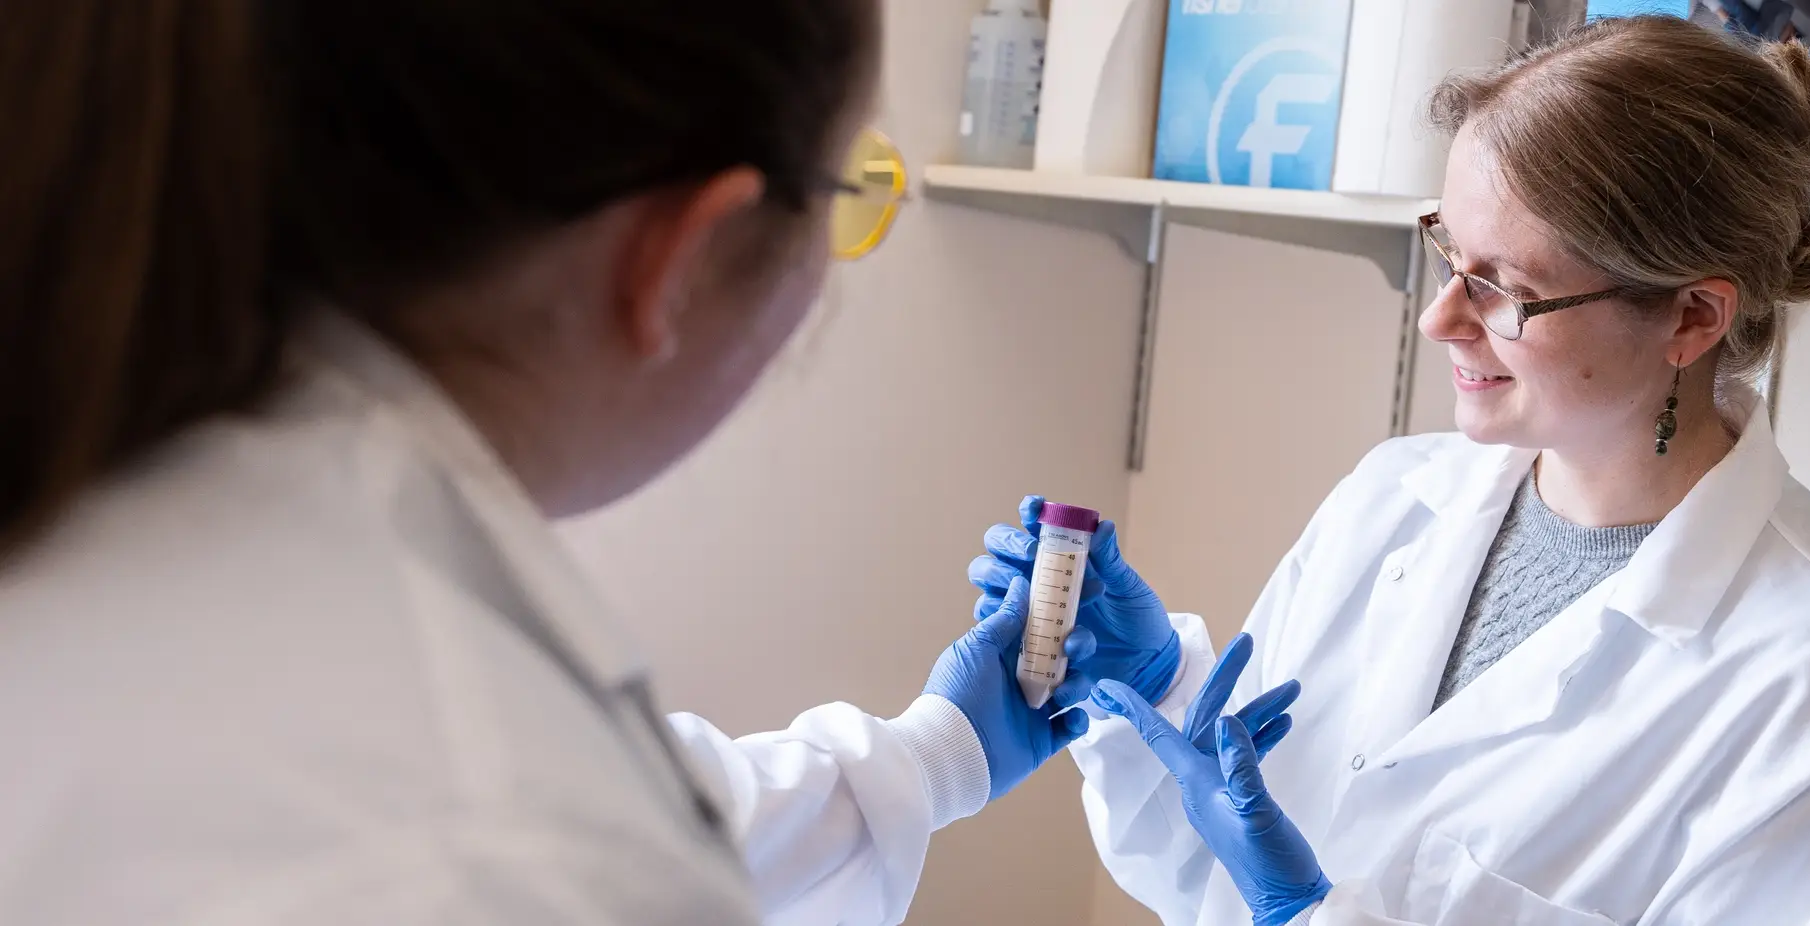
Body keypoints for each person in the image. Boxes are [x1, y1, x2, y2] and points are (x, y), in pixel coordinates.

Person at [0, 3, 1276, 923]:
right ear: (677, 254)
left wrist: (936, 751)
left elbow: (665, 802)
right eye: (848, 193)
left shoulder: (120, 468)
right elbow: (556, 833)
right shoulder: (495, 835)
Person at [971, 18, 1810, 926]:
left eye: (1505, 289)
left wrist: (1307, 912)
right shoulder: (1396, 497)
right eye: (1450, 250)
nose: (1438, 317)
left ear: (1692, 318)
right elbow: (1211, 870)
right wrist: (1157, 697)